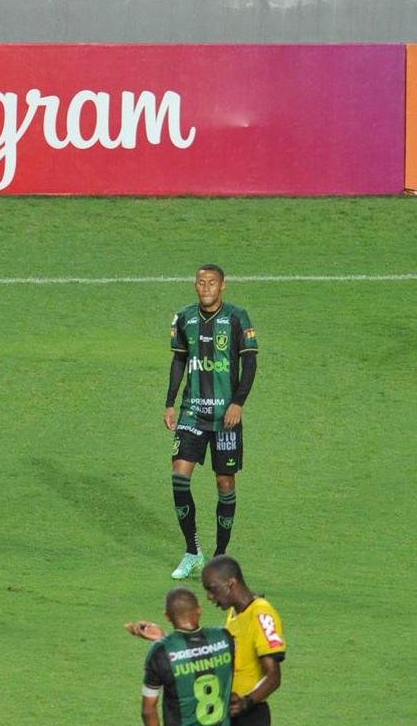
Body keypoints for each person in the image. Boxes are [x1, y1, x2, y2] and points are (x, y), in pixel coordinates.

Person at [163, 265, 258, 579]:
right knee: (179, 477)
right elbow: (179, 360)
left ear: (223, 286)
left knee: (225, 483)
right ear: (195, 286)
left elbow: (250, 363)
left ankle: (219, 557)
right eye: (201, 282)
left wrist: (238, 403)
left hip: (225, 417)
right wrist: (170, 404)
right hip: (192, 411)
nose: (206, 287)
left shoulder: (236, 318)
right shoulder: (184, 318)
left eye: (212, 283)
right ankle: (192, 551)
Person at [127, 556, 285, 726]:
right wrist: (165, 640)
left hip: (250, 715)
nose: (209, 597)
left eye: (212, 589)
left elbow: (274, 675)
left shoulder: (261, 614)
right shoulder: (235, 613)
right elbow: (207, 654)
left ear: (231, 583)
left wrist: (247, 702)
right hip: (230, 711)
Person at [129, 587, 235, 726]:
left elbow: (148, 710)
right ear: (199, 609)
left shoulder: (161, 653)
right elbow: (199, 651)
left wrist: (163, 640)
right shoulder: (224, 638)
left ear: (167, 616)